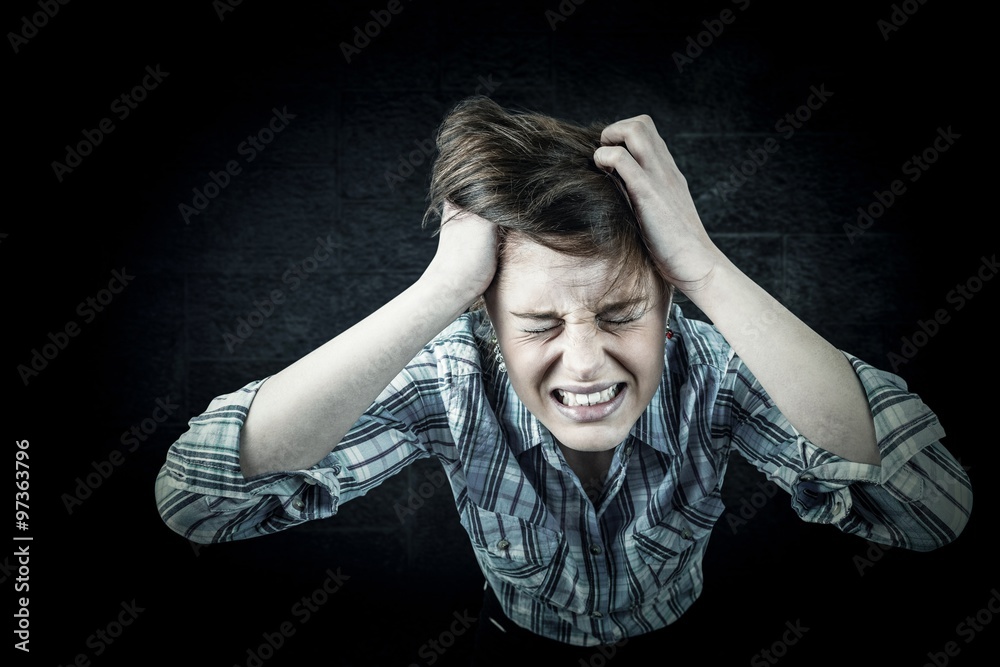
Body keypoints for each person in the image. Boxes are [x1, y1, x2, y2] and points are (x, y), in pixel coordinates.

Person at [155, 96, 972, 664]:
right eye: (539, 325)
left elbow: (934, 506)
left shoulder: (714, 368)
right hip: (512, 651)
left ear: (665, 302)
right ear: (488, 319)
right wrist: (441, 290)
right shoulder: (453, 378)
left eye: (621, 314)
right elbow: (197, 498)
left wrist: (707, 268)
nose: (585, 364)